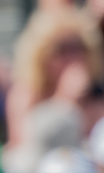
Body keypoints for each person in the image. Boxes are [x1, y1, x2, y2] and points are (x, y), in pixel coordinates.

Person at [7, 8, 104, 146]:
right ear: (42, 54)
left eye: (78, 47)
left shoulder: (96, 93)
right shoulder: (26, 94)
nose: (72, 57)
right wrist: (64, 100)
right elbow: (24, 147)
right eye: (62, 49)